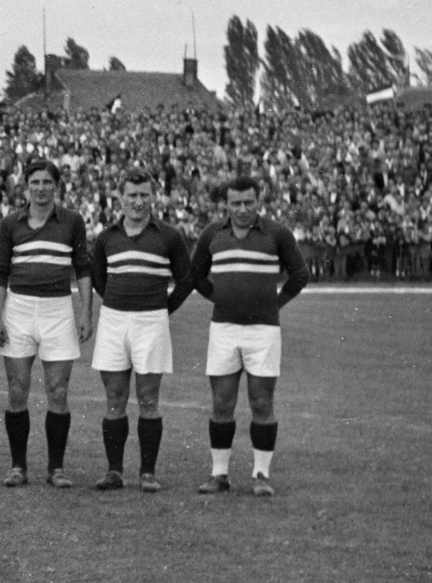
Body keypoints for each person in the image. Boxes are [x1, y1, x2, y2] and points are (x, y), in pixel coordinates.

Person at [190, 174, 308, 496]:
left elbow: (300, 274)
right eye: (235, 203)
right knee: (221, 402)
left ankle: (261, 476)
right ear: (225, 204)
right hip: (224, 329)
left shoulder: (277, 233)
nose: (242, 209)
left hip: (263, 331)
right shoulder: (213, 233)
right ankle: (219, 475)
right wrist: (219, 298)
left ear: (259, 201)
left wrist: (276, 303)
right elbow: (196, 274)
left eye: (248, 202)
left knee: (261, 402)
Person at [88, 169, 195, 492]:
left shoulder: (169, 235)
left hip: (152, 322)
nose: (137, 201)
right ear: (120, 198)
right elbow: (99, 280)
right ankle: (114, 471)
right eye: (131, 195)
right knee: (115, 397)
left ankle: (147, 472)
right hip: (114, 320)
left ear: (153, 197)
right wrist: (121, 302)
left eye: (143, 195)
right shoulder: (107, 236)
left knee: (148, 397)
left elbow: (186, 279)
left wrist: (162, 309)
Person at [0, 158, 93, 489]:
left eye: (48, 182)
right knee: (17, 389)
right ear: (26, 186)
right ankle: (18, 466)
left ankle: (56, 468)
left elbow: (83, 269)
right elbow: (0, 273)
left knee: (57, 390)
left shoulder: (72, 221)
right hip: (18, 309)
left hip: (58, 309)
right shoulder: (10, 224)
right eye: (35, 182)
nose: (41, 188)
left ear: (57, 186)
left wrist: (86, 312)